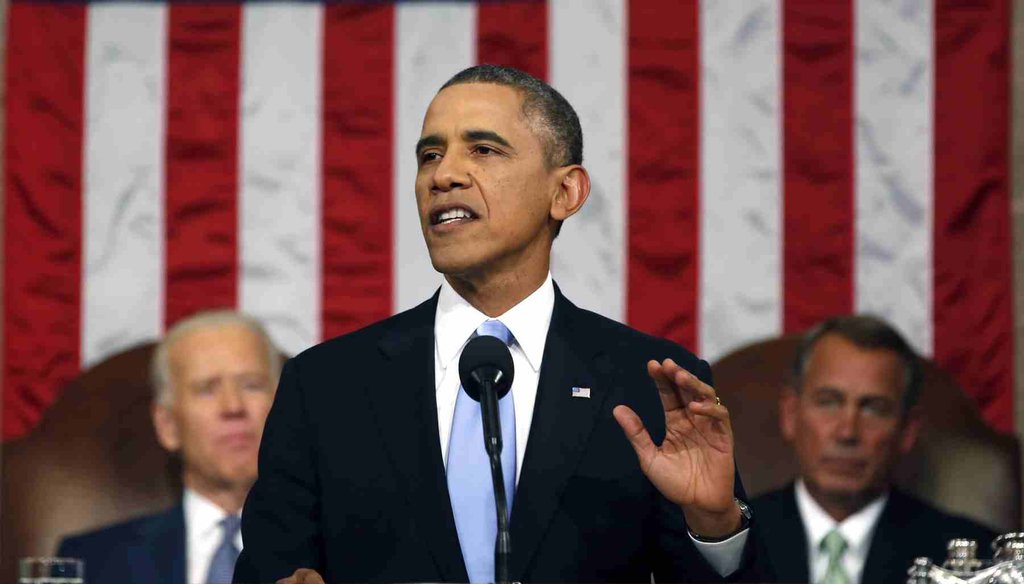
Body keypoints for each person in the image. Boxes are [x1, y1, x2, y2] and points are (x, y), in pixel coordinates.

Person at [233, 65, 769, 584]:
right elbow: (269, 568)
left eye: (483, 150)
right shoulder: (326, 385)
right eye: (430, 155)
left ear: (566, 193)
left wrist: (715, 524)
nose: (443, 175)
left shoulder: (646, 384)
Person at [751, 315, 996, 584]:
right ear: (790, 414)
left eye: (874, 408)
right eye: (828, 402)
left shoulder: (977, 564)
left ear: (907, 430)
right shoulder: (730, 545)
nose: (847, 432)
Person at [58, 310, 281, 584]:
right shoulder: (92, 562)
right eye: (207, 389)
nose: (233, 406)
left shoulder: (337, 551)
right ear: (168, 425)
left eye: (252, 385)